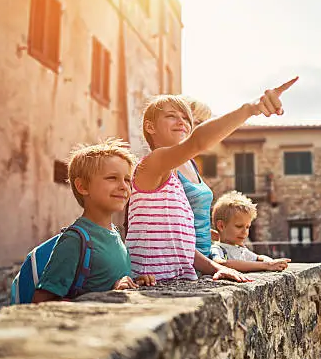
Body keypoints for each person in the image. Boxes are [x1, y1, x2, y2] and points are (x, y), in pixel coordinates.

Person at [125, 77, 298, 282]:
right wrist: (250, 108)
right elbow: (197, 142)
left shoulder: (174, 179)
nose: (182, 122)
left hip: (185, 273)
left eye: (186, 118)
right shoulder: (153, 162)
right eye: (172, 116)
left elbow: (184, 244)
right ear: (150, 127)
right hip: (155, 280)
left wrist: (214, 266)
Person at [32, 139, 156, 303]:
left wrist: (136, 280)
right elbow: (41, 303)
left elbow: (105, 280)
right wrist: (111, 293)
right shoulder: (75, 240)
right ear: (82, 187)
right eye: (112, 178)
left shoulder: (115, 234)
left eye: (127, 179)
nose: (124, 186)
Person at [210, 191, 291, 272]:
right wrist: (266, 265)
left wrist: (271, 262)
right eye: (239, 226)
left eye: (247, 227)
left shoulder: (241, 249)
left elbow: (258, 258)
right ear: (221, 226)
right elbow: (220, 263)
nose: (245, 232)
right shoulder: (217, 248)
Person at [176, 98, 215, 258]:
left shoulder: (192, 163)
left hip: (205, 255)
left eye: (204, 125)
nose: (202, 130)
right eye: (197, 123)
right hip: (187, 261)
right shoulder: (169, 164)